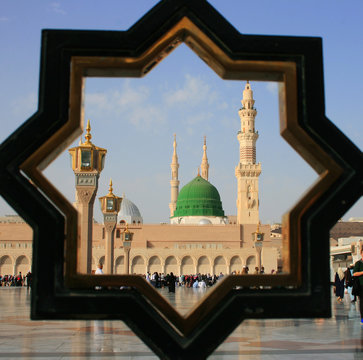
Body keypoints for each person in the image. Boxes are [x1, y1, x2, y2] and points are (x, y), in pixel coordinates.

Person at [353, 248, 363, 323]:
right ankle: (362, 318)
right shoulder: (358, 263)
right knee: (362, 302)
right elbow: (354, 273)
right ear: (361, 253)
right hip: (361, 286)